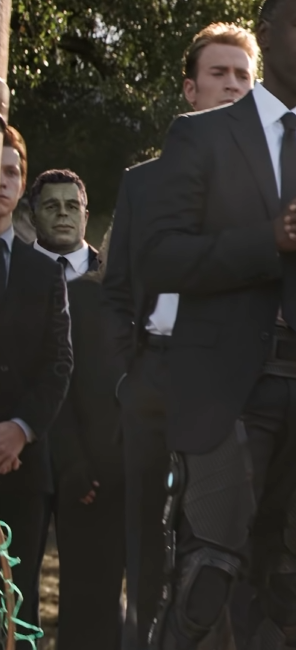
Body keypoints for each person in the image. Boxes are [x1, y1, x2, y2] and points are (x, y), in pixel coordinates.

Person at [137, 0, 296, 644]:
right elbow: (158, 257)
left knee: (289, 597)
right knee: (204, 587)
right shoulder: (200, 136)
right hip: (227, 395)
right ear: (266, 34)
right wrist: (268, 240)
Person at [101, 23, 258, 648]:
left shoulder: (267, 186)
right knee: (145, 546)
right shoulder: (142, 182)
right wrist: (129, 374)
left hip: (230, 384)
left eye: (243, 76)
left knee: (217, 553)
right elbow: (116, 290)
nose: (232, 85)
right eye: (219, 74)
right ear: (191, 90)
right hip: (153, 377)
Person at [31, 169, 125, 649]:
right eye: (52, 205)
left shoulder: (117, 282)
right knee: (14, 593)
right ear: (33, 214)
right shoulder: (13, 271)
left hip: (99, 468)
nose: (64, 214)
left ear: (87, 215)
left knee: (94, 601)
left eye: (73, 206)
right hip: (22, 457)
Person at [0, 123, 73, 634]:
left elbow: (60, 362)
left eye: (10, 171)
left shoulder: (46, 272)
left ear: (22, 183)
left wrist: (20, 429)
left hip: (23, 469)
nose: (1, 181)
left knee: (16, 613)